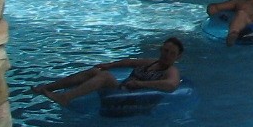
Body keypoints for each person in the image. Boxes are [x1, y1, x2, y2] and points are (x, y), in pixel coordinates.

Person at [33, 37, 185, 105]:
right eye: (165, 51)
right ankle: (48, 87)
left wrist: (139, 84)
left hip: (133, 100)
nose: (167, 55)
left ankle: (65, 98)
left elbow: (171, 85)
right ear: (161, 50)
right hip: (122, 91)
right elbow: (130, 62)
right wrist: (110, 65)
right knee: (95, 71)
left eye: (172, 53)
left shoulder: (171, 71)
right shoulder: (152, 62)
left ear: (177, 56)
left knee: (105, 77)